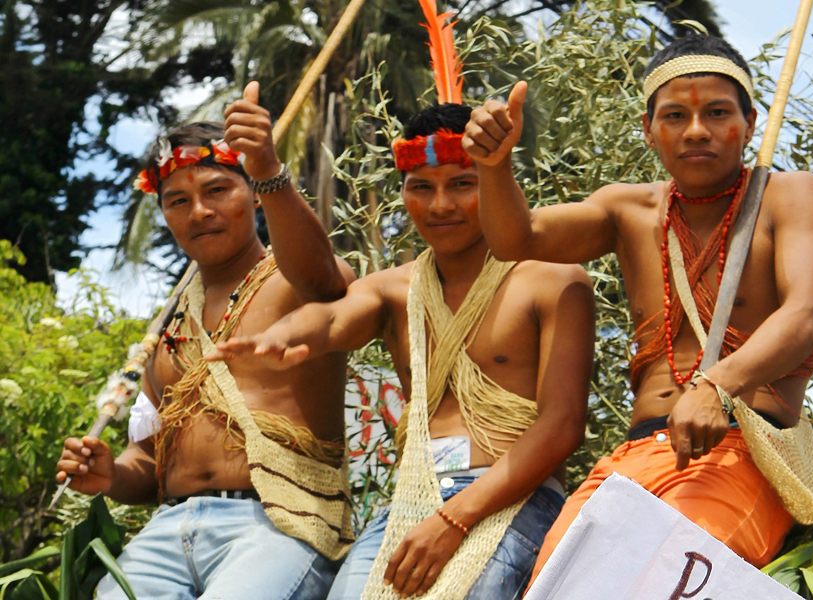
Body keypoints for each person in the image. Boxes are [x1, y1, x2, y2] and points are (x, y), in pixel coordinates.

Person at [463, 34, 813, 577]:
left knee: (663, 583)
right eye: (674, 115)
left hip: (745, 452)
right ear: (648, 129)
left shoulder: (790, 196)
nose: (696, 130)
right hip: (636, 454)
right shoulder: (629, 210)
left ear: (750, 123)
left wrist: (716, 385)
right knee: (556, 585)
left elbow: (806, 318)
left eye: (716, 113)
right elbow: (517, 240)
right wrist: (494, 168)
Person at [208, 101, 595, 600]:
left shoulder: (555, 281)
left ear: (494, 181)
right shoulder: (393, 290)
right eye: (421, 188)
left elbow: (562, 425)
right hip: (410, 501)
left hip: (515, 498)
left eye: (462, 184)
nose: (440, 206)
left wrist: (454, 519)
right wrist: (287, 333)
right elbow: (331, 317)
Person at [55, 82, 356, 600]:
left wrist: (267, 168)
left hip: (277, 523)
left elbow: (327, 281)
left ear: (251, 195)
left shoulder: (297, 283)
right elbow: (149, 464)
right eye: (178, 200)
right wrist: (110, 474)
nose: (198, 211)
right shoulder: (164, 328)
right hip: (166, 532)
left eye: (217, 189)